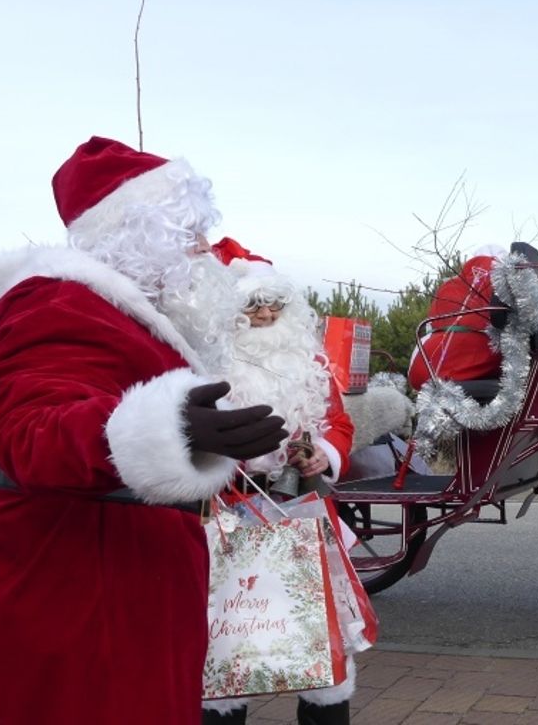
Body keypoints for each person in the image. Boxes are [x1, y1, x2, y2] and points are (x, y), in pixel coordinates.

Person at [0, 136, 289, 725]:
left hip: (126, 576)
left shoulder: (132, 317)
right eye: (188, 235)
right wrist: (165, 428)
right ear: (142, 236)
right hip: (78, 584)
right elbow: (31, 429)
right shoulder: (57, 303)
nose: (203, 251)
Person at [202, 237, 356, 725]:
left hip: (303, 512)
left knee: (318, 641)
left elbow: (340, 426)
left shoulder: (312, 367)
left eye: (274, 304)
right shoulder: (209, 366)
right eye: (253, 305)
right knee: (228, 643)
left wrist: (322, 454)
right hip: (229, 514)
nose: (266, 315)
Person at [407, 246, 506, 391]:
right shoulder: (503, 287)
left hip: (421, 370)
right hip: (469, 366)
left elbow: (431, 326)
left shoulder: (448, 285)